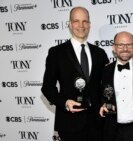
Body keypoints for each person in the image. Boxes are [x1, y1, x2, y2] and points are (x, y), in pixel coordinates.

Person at [41, 6, 109, 141]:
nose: (81, 25)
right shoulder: (56, 53)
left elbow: (110, 80)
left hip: (97, 123)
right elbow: (47, 88)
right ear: (70, 24)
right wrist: (65, 102)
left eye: (85, 21)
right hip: (69, 123)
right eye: (76, 21)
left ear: (89, 24)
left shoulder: (99, 53)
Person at [99, 31, 133, 141]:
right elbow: (101, 93)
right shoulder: (105, 71)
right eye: (120, 45)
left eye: (129, 45)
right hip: (112, 130)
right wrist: (102, 104)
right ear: (114, 47)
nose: (125, 48)